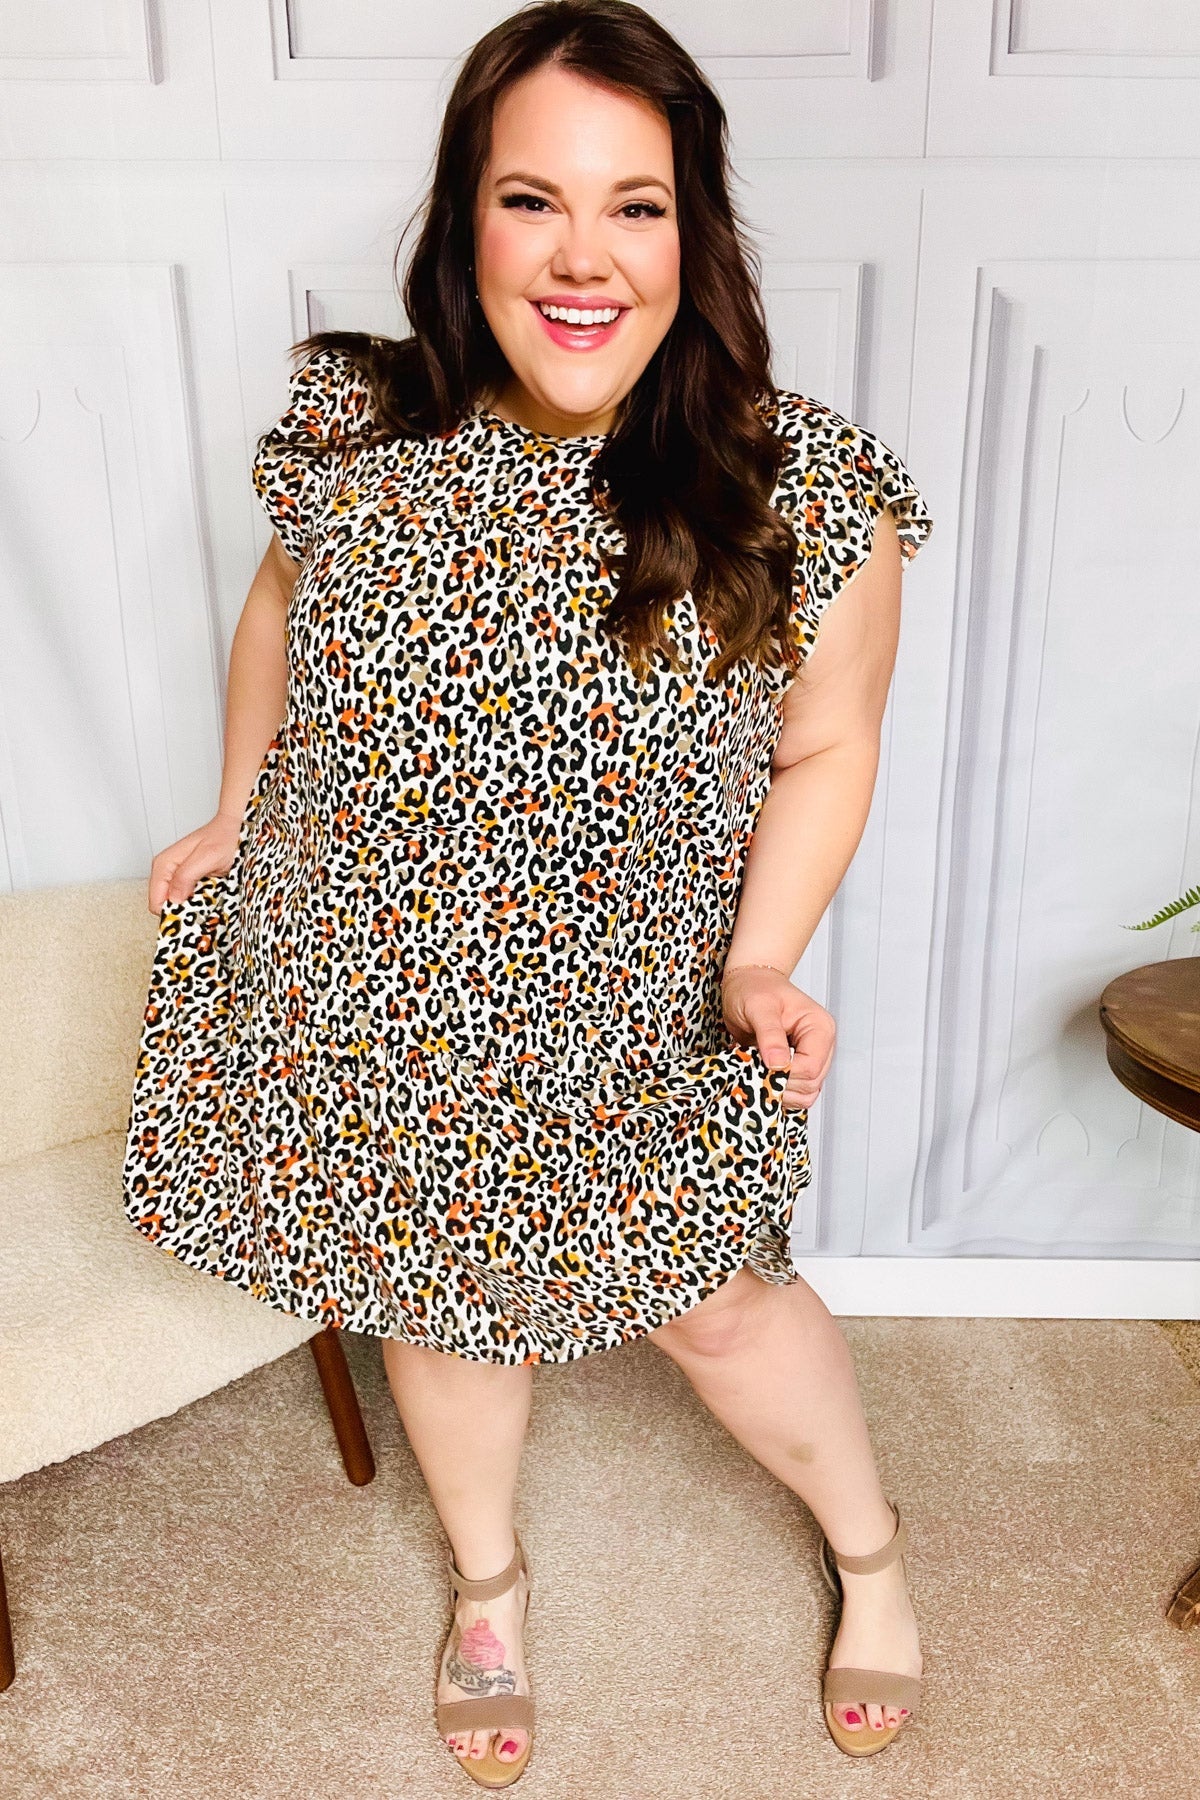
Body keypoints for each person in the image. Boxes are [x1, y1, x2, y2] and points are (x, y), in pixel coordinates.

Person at [121, 0, 933, 1784]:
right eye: (531, 200)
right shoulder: (357, 431)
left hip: (633, 1008)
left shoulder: (800, 485)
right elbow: (277, 613)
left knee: (720, 1304)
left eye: (635, 206)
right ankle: (488, 1583)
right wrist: (240, 810)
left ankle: (870, 1553)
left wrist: (764, 959)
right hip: (375, 994)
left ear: (693, 231)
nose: (583, 259)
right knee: (438, 1297)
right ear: (463, 217)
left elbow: (828, 749)